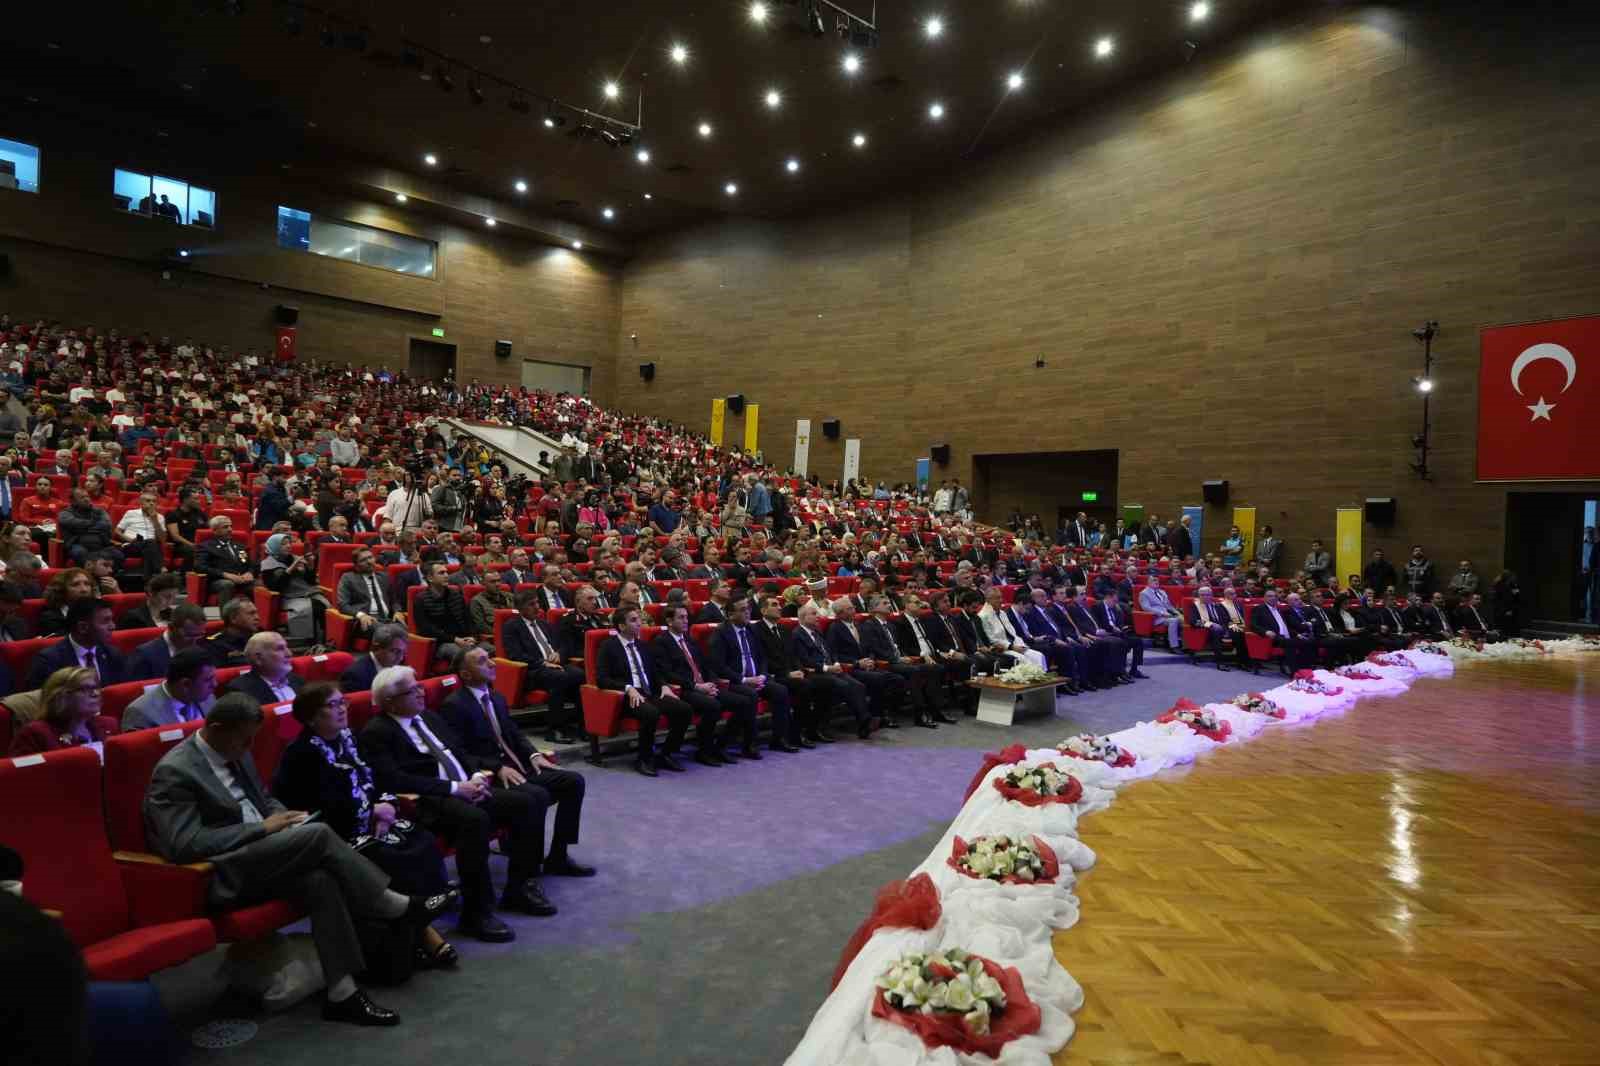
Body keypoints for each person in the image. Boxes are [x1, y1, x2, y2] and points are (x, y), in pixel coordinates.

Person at [145, 693, 454, 1026]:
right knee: (319, 834)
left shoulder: (235, 751)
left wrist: (285, 817)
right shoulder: (175, 771)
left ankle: (342, 993)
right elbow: (183, 844)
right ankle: (396, 906)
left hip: (269, 854)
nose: (249, 747)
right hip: (226, 871)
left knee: (321, 881)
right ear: (217, 728)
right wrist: (263, 828)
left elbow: (264, 799)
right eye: (244, 739)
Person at [361, 664, 582, 935]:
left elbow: (459, 751)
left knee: (530, 801)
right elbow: (395, 780)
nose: (421, 692)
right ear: (390, 702)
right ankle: (477, 912)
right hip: (430, 799)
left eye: (419, 685)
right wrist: (456, 787)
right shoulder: (377, 732)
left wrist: (477, 775)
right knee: (475, 820)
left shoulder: (428, 717)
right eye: (412, 690)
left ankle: (519, 887)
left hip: (465, 786)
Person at [595, 606, 695, 777]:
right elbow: (601, 679)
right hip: (625, 696)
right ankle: (644, 758)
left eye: (639, 619)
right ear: (621, 626)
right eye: (633, 620)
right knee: (651, 714)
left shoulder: (643, 645)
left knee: (684, 709)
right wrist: (628, 688)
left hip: (649, 692)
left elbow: (655, 672)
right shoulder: (608, 646)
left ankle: (666, 753)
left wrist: (663, 685)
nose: (639, 624)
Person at [650, 604, 747, 765]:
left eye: (687, 617)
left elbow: (705, 663)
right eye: (681, 618)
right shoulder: (661, 642)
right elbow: (667, 673)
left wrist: (711, 683)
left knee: (743, 702)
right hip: (684, 689)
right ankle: (703, 751)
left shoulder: (689, 639)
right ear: (669, 621)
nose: (686, 621)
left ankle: (720, 746)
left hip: (704, 686)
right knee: (713, 705)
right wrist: (696, 686)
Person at [789, 600, 875, 739]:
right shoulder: (797, 634)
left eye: (817, 613)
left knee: (858, 685)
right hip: (815, 672)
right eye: (814, 614)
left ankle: (863, 721)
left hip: (831, 669)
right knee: (843, 685)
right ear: (803, 618)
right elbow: (804, 660)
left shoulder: (816, 632)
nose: (818, 616)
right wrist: (827, 668)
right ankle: (862, 720)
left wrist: (835, 663)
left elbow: (829, 652)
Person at [824, 599, 909, 727]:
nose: (854, 610)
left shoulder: (858, 625)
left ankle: (880, 713)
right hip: (851, 668)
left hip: (867, 665)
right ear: (840, 613)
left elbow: (869, 647)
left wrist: (870, 659)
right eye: (850, 609)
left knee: (898, 679)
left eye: (853, 607)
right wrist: (857, 663)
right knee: (880, 678)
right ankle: (878, 716)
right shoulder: (834, 628)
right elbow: (834, 655)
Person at [9, 667, 117, 755]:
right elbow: (23, 776)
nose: (95, 694)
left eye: (96, 688)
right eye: (85, 689)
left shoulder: (109, 725)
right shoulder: (35, 734)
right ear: (61, 696)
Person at [27, 598, 125, 691]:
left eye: (112, 620)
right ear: (83, 627)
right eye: (105, 621)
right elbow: (46, 702)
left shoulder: (112, 654)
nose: (113, 626)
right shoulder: (49, 660)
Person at [122, 648, 217, 731]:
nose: (214, 684)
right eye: (208, 680)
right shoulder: (140, 713)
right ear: (185, 684)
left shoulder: (208, 697)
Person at [259, 533, 329, 644]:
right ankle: (309, 642)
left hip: (306, 593)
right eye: (283, 544)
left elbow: (310, 581)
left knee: (325, 604)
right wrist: (291, 569)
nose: (288, 546)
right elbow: (275, 586)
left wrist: (310, 565)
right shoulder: (267, 564)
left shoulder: (296, 558)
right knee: (314, 607)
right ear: (275, 546)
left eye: (289, 543)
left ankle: (324, 641)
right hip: (287, 597)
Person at [412, 561, 477, 665]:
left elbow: (468, 619)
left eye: (447, 572)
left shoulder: (456, 595)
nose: (446, 575)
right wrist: (455, 640)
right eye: (441, 573)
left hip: (463, 638)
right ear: (430, 578)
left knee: (489, 650)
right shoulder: (421, 599)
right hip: (441, 643)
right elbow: (426, 629)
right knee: (464, 655)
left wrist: (471, 636)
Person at [128, 603, 209, 681]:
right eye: (188, 636)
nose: (194, 642)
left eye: (199, 635)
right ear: (171, 628)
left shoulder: (203, 649)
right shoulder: (145, 655)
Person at [336, 548, 402, 640]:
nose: (369, 562)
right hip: (366, 620)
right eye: (363, 560)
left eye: (370, 557)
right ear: (356, 565)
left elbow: (394, 600)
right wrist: (361, 615)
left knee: (404, 630)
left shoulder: (384, 577)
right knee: (389, 632)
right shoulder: (348, 578)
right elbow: (342, 605)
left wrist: (397, 611)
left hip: (387, 619)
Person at [224, 631, 304, 705]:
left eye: (287, 647)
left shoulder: (297, 680)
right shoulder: (240, 690)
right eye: (280, 649)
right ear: (258, 659)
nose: (289, 654)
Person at [1249, 587, 1316, 672]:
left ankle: (1305, 669)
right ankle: (1294, 672)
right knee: (1291, 643)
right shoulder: (1259, 609)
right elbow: (1253, 625)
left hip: (1286, 636)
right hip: (1273, 637)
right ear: (1264, 598)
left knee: (1308, 641)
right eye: (1270, 596)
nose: (1273, 598)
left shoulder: (1279, 609)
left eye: (1275, 596)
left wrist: (1296, 634)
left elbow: (1285, 626)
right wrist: (1265, 631)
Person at [197, 515, 254, 608]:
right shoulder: (206, 546)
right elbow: (199, 567)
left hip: (241, 580)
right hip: (218, 581)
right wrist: (225, 574)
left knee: (258, 586)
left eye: (231, 526)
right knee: (227, 584)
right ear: (215, 530)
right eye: (225, 527)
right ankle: (227, 619)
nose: (230, 529)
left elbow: (251, 564)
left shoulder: (239, 546)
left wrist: (250, 573)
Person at [339, 623, 409, 695]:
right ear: (376, 648)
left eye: (403, 652)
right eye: (395, 651)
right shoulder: (355, 676)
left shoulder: (399, 667)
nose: (400, 658)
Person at [57, 488, 113, 566]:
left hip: (100, 544)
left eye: (87, 496)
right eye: (82, 497)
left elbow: (107, 524)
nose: (86, 499)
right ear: (73, 501)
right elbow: (72, 522)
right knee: (80, 553)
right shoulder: (65, 513)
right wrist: (93, 524)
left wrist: (84, 527)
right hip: (78, 544)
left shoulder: (99, 511)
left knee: (117, 554)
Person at [467, 567, 516, 649]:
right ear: (483, 583)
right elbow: (481, 626)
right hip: (491, 638)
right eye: (493, 582)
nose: (497, 584)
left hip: (514, 634)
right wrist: (503, 634)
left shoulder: (510, 597)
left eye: (499, 580)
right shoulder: (476, 601)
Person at [1138, 572, 1183, 648]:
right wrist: (1162, 613)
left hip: (1168, 615)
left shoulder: (1162, 592)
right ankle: (1174, 646)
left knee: (1184, 619)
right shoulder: (1144, 593)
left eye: (1157, 580)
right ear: (1148, 582)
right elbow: (1146, 608)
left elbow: (1169, 606)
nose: (1156, 582)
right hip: (1157, 618)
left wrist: (1177, 612)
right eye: (1154, 580)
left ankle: (1186, 645)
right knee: (1174, 620)